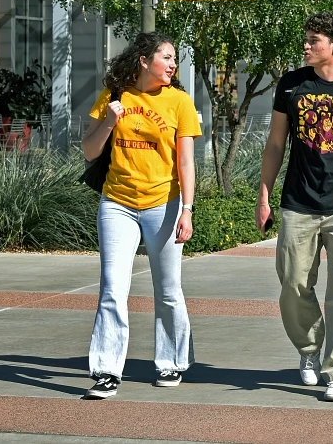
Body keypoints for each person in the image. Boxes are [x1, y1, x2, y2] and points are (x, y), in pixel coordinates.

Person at [256, 11, 333, 402]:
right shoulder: (292, 84)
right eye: (307, 39)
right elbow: (276, 144)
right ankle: (310, 351)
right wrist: (264, 194)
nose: (307, 45)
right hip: (298, 202)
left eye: (314, 40)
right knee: (293, 285)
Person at [80, 32, 201, 400]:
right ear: (144, 60)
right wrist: (109, 122)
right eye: (166, 57)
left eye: (174, 59)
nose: (172, 64)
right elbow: (88, 151)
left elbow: (186, 162)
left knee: (167, 290)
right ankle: (106, 370)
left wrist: (187, 210)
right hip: (117, 203)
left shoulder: (179, 101)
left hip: (163, 204)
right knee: (113, 289)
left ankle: (171, 362)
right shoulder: (114, 97)